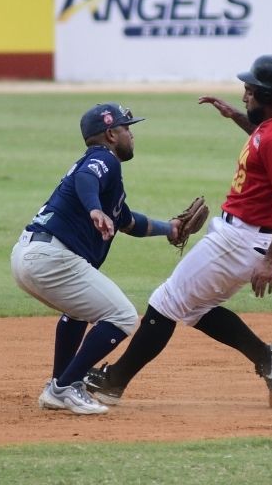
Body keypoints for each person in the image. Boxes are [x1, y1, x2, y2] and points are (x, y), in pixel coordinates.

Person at [84, 55, 272, 405]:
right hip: (240, 235)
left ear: (269, 95)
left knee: (166, 302)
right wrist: (235, 116)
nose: (244, 95)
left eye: (250, 90)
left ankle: (113, 382)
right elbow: (265, 140)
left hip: (242, 240)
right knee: (194, 308)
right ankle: (267, 359)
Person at [11, 102, 186, 414]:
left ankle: (60, 385)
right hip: (52, 257)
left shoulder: (106, 175)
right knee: (122, 316)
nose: (131, 134)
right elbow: (86, 180)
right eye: (126, 128)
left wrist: (169, 229)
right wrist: (93, 208)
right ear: (110, 134)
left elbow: (130, 222)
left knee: (79, 311)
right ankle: (66, 387)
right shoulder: (103, 159)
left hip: (31, 254)